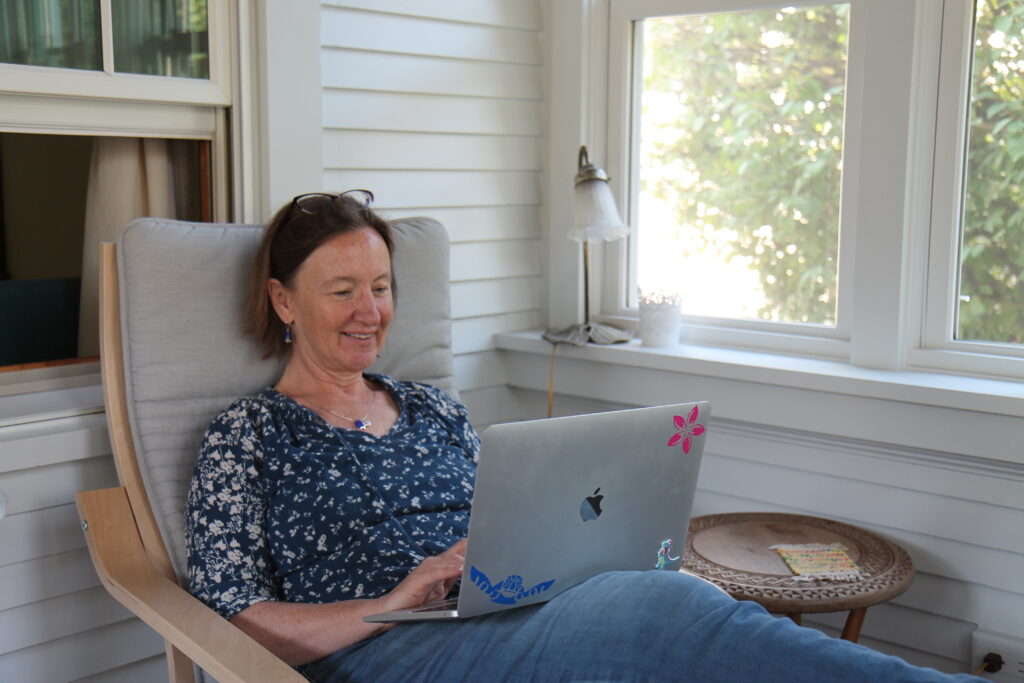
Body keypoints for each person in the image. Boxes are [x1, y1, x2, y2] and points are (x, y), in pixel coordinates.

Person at [186, 190, 981, 682]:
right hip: (385, 653)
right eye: (344, 289)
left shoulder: (432, 408)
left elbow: (506, 529)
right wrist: (389, 604)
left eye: (384, 286)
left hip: (512, 615)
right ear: (284, 302)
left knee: (683, 606)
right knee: (666, 615)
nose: (372, 309)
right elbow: (233, 616)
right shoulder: (247, 437)